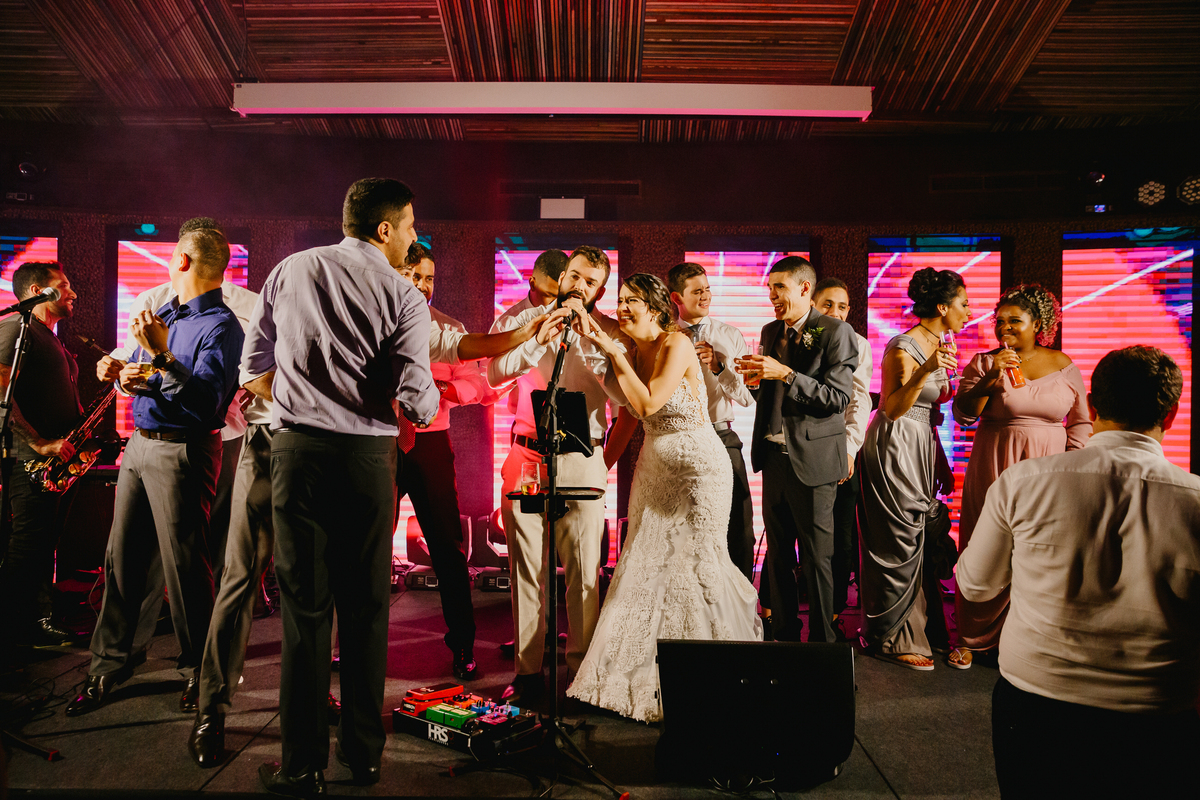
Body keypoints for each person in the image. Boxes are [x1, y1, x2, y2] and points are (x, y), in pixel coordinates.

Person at [242, 178, 439, 793]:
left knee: (304, 612)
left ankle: (302, 764)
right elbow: (421, 402)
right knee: (367, 609)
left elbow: (254, 369)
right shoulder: (404, 294)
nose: (412, 236)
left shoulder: (290, 269)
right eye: (409, 226)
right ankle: (364, 755)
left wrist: (304, 401)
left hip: (296, 452)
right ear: (384, 229)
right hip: (365, 460)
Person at [958, 346, 1200, 797]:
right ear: (1170, 416)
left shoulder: (1024, 482)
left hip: (1036, 705)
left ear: (1092, 403)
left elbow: (974, 586)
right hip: (1159, 716)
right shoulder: (1195, 502)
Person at [66, 226, 244, 716]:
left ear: (184, 261)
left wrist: (163, 355)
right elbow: (145, 377)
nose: (168, 263)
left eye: (171, 256)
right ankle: (108, 665)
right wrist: (122, 375)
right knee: (121, 562)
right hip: (139, 448)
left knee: (186, 570)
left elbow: (209, 404)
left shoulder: (223, 326)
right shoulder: (163, 312)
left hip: (185, 451)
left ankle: (201, 675)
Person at [567, 273, 761, 721]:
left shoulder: (676, 344)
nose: (623, 307)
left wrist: (614, 352)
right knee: (643, 561)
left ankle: (709, 674)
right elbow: (628, 408)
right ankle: (631, 675)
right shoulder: (634, 350)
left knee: (698, 564)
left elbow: (652, 403)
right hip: (655, 470)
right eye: (620, 301)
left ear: (656, 307)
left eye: (631, 300)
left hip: (700, 471)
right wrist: (606, 353)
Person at [487, 246, 628, 705]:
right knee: (526, 571)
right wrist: (538, 336)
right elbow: (493, 374)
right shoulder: (519, 316)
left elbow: (623, 398)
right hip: (526, 456)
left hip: (581, 457)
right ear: (560, 277)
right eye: (574, 277)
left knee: (584, 574)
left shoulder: (608, 330)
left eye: (590, 282)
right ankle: (528, 670)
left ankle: (581, 671)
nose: (579, 287)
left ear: (600, 290)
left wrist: (589, 341)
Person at [98, 217, 259, 593]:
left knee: (202, 544)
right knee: (126, 556)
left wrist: (255, 381)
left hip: (212, 435)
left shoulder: (235, 315)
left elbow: (213, 394)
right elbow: (133, 363)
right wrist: (124, 377)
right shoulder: (159, 304)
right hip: (144, 439)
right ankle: (124, 646)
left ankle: (203, 636)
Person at [947, 285, 1090, 670]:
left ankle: (1029, 638)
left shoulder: (1063, 364)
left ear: (1037, 324)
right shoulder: (983, 362)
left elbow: (1081, 424)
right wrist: (993, 378)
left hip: (1049, 470)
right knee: (983, 545)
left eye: (1015, 320)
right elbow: (963, 414)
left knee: (1040, 547)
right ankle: (971, 638)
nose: (1005, 327)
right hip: (995, 461)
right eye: (1000, 321)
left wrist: (1072, 471)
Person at [734, 257, 858, 644]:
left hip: (815, 462)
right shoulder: (771, 330)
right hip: (774, 458)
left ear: (805, 289)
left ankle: (824, 648)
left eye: (779, 288)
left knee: (817, 560)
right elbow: (769, 396)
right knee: (778, 559)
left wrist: (785, 373)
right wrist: (745, 375)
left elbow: (837, 399)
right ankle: (784, 639)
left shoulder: (836, 332)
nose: (772, 296)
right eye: (770, 288)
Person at [396, 242, 503, 681]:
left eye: (428, 278)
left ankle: (463, 645)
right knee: (361, 551)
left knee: (447, 549)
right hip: (380, 445)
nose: (422, 286)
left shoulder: (448, 328)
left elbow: (477, 384)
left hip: (431, 445)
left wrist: (444, 392)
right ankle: (348, 647)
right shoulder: (372, 325)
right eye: (413, 276)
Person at [857, 268, 966, 670]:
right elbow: (894, 407)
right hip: (895, 444)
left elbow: (933, 408)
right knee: (898, 539)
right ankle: (890, 634)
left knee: (918, 536)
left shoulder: (944, 342)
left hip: (921, 441)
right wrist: (927, 368)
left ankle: (923, 627)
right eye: (963, 304)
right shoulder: (903, 346)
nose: (968, 312)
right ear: (942, 307)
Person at [0, 262, 83, 654]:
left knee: (43, 541)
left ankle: (38, 615)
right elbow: (0, 393)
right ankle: (19, 625)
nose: (73, 293)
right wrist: (36, 443)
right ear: (37, 290)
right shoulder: (16, 331)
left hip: (55, 462)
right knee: (29, 543)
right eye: (63, 286)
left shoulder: (50, 338)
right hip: (28, 461)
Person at [666, 262, 755, 580]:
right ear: (677, 297)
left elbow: (747, 397)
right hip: (678, 440)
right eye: (696, 291)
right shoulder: (665, 337)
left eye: (707, 289)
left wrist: (721, 367)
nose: (705, 296)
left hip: (720, 436)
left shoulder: (729, 335)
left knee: (738, 527)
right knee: (680, 527)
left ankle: (741, 605)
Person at [811, 277, 872, 631]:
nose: (836, 312)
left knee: (841, 536)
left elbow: (859, 400)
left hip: (839, 446)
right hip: (800, 447)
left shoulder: (859, 344)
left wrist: (849, 450)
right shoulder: (798, 337)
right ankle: (773, 609)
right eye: (828, 304)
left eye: (843, 306)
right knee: (791, 532)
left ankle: (833, 613)